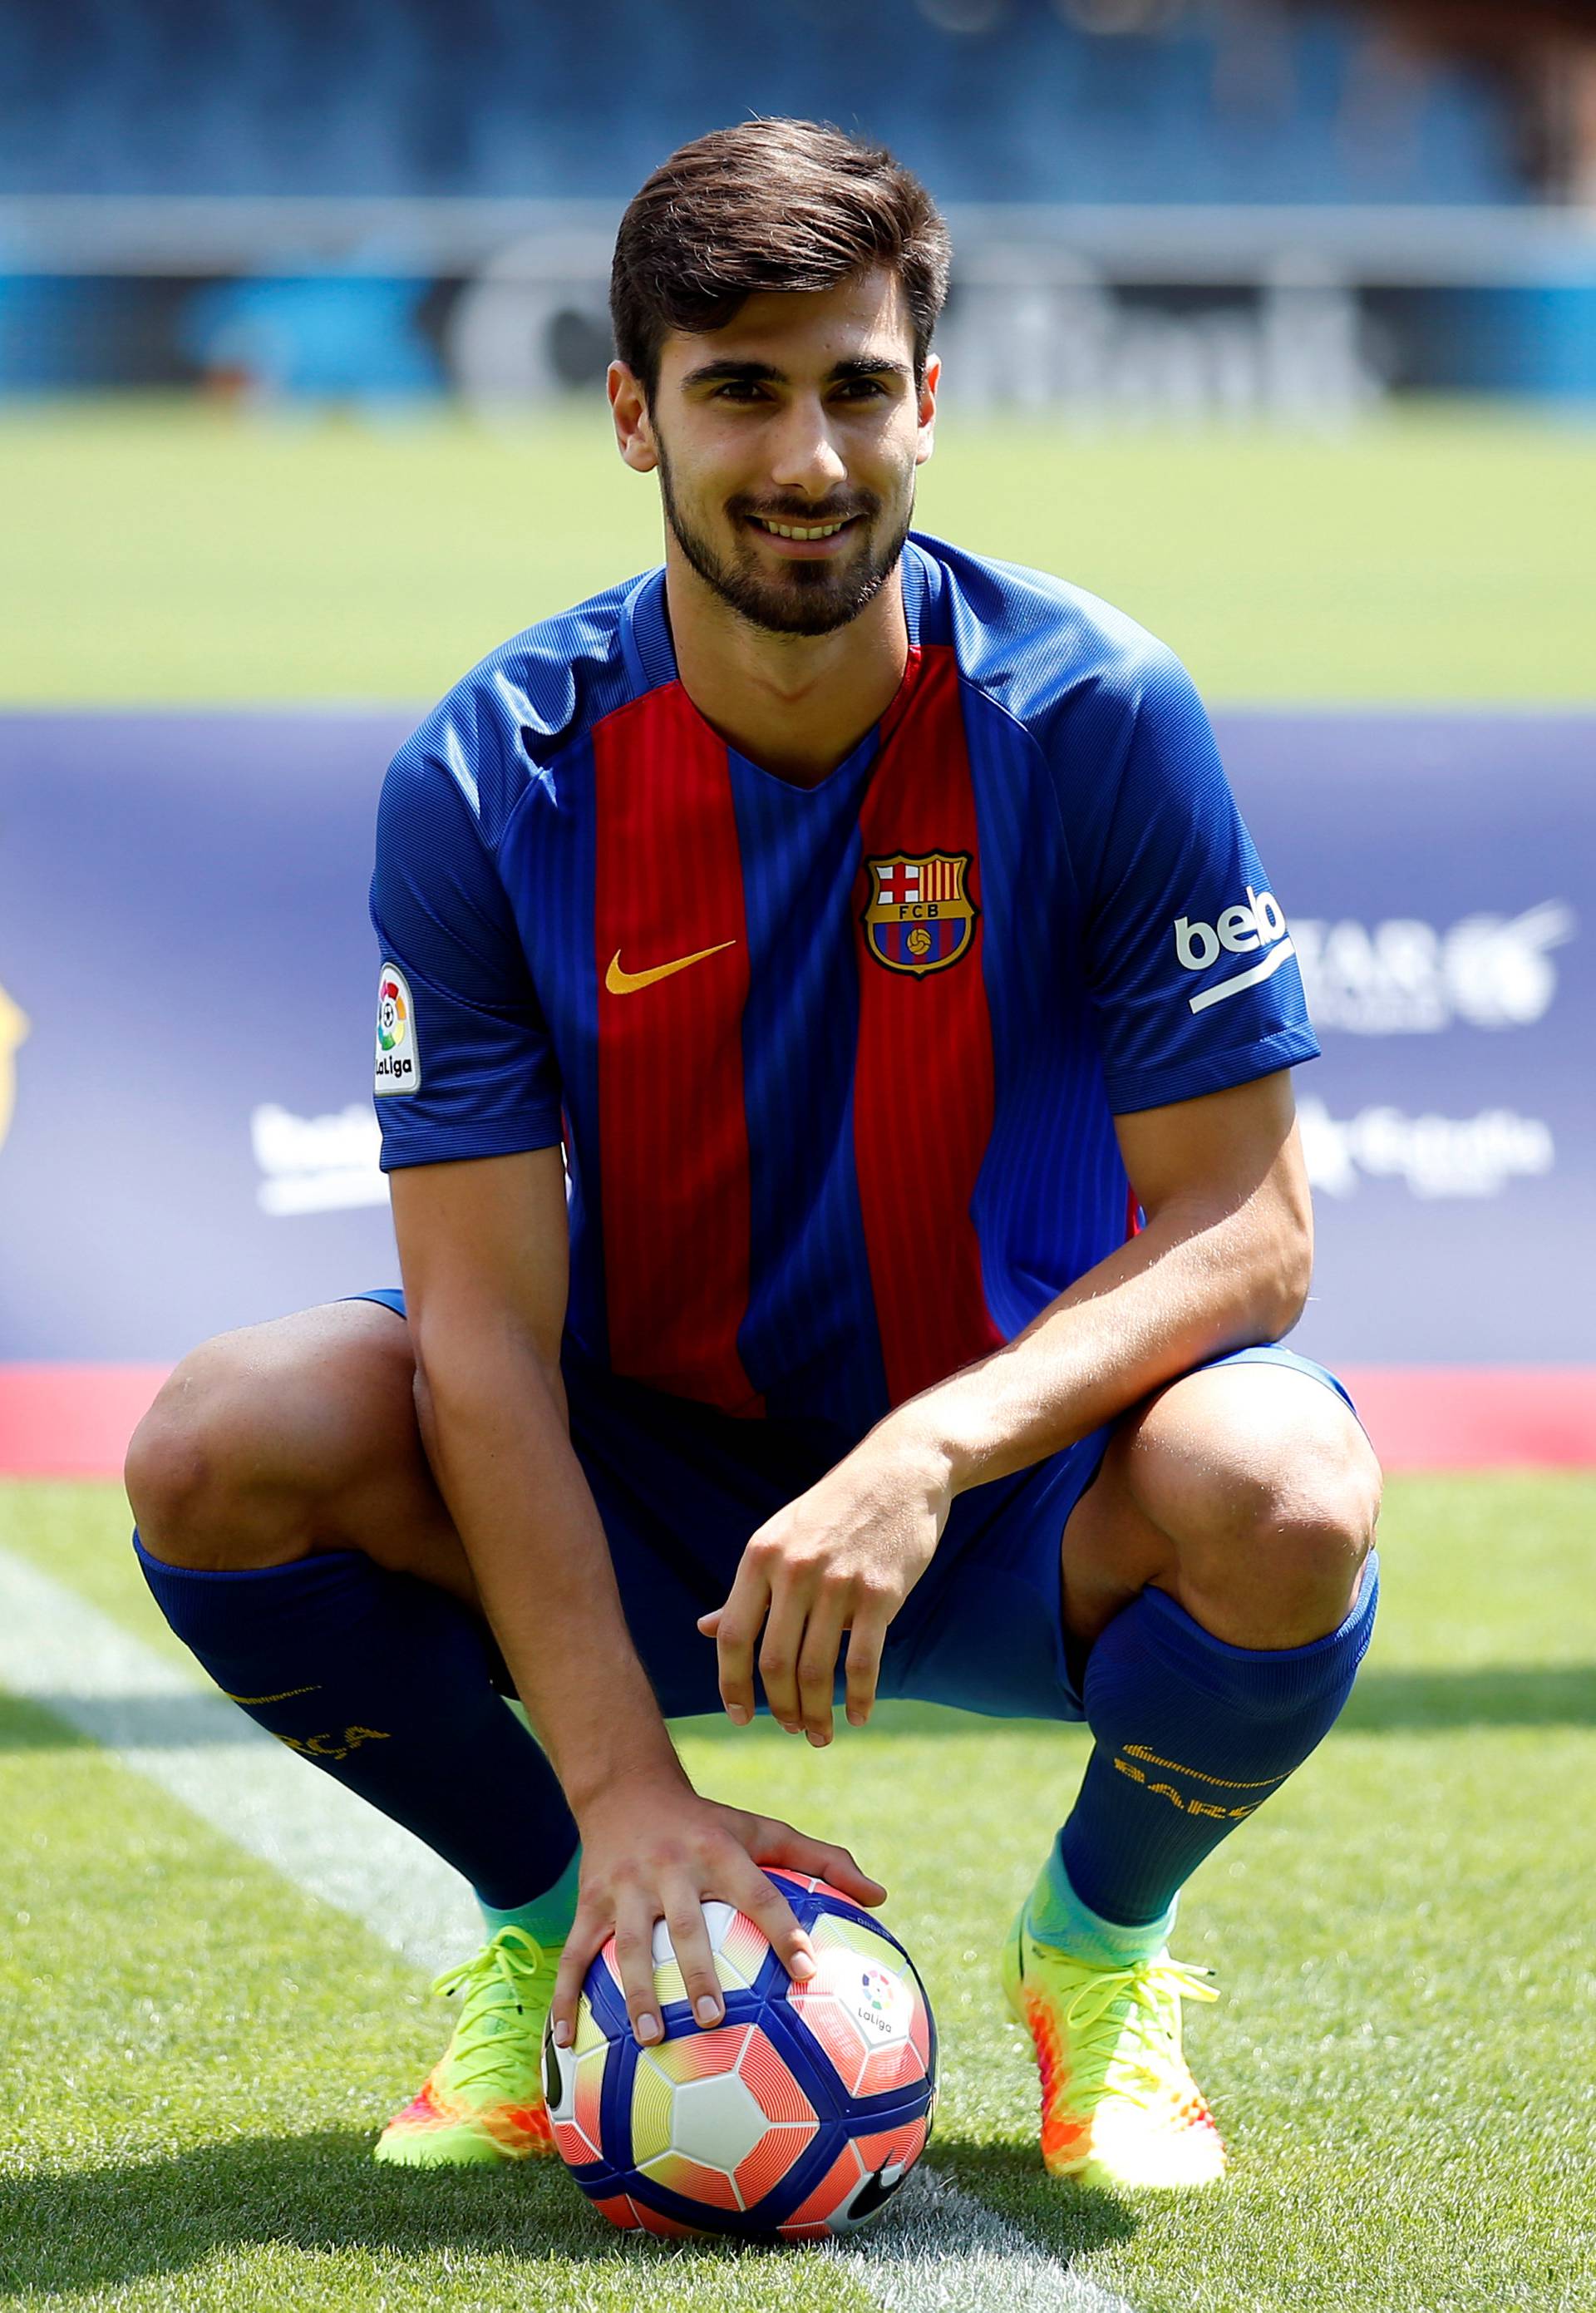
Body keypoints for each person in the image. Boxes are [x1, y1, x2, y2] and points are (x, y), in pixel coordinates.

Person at [124, 119, 1382, 2197]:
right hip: (639, 1465)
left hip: (997, 1487)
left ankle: (1101, 1945)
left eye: (856, 388)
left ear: (929, 399)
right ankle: (554, 1914)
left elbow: (1249, 1226)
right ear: (634, 414)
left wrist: (920, 1459)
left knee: (1287, 1483)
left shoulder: (1096, 714)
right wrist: (619, 1781)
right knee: (222, 1439)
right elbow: (480, 1327)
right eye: (739, 390)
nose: (809, 458)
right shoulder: (491, 772)